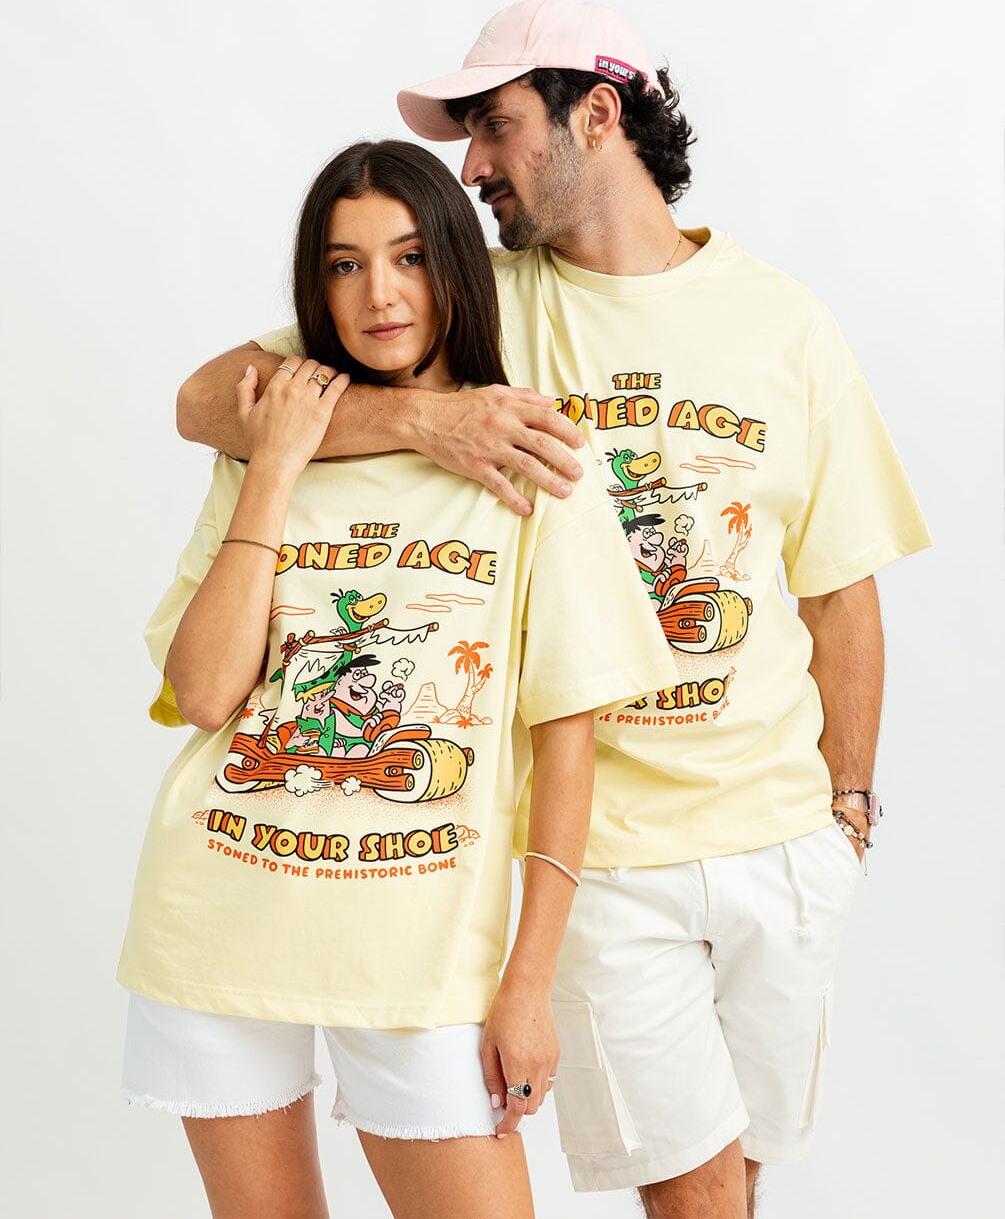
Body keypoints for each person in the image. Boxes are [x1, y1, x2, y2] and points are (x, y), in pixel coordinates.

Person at [174, 0, 933, 1219]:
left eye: (496, 125)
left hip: (783, 839)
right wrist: (432, 416)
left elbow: (841, 587)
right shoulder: (478, 300)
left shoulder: (784, 321)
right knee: (693, 1189)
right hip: (604, 852)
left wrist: (846, 812)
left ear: (597, 114)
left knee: (737, 1183)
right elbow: (212, 401)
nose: (472, 164)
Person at [117, 138, 676, 1219]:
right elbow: (208, 694)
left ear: (455, 264)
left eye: (410, 256)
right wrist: (276, 464)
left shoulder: (533, 461)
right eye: (345, 264)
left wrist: (528, 982)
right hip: (220, 916)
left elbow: (567, 750)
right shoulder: (269, 447)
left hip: (425, 958)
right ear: (316, 288)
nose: (379, 293)